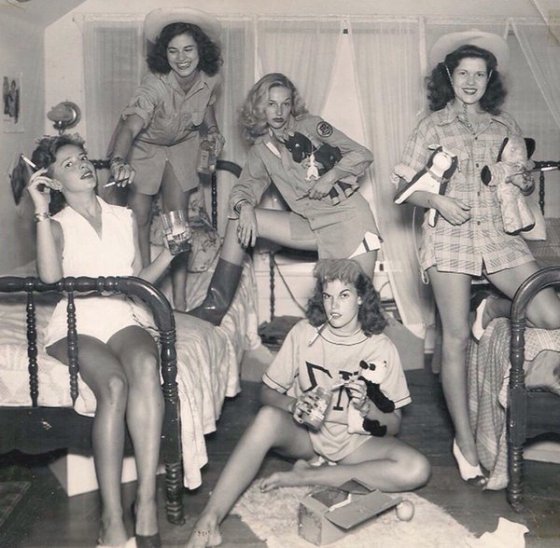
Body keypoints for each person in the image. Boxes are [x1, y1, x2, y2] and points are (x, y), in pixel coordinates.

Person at [393, 30, 560, 485]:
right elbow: (403, 188)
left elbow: (520, 178)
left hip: (498, 236)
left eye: (480, 75)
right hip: (449, 236)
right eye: (463, 73)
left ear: (490, 80)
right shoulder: (431, 126)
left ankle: (494, 309)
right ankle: (465, 442)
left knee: (551, 314)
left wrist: (523, 181)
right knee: (454, 339)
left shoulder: (504, 126)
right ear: (449, 77)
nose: (471, 82)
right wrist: (438, 201)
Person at [186, 259, 431, 547]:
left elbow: (393, 425)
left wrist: (369, 410)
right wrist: (293, 404)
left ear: (361, 297)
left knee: (417, 469)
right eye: (327, 296)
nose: (334, 305)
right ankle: (209, 520)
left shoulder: (381, 347)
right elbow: (266, 394)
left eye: (344, 295)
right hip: (309, 437)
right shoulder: (304, 333)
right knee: (266, 418)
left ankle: (310, 475)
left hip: (356, 444)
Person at [27, 133, 175, 548]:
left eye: (83, 158)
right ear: (54, 182)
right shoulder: (56, 225)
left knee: (146, 365)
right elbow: (50, 278)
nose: (82, 165)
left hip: (120, 316)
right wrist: (40, 209)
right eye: (68, 164)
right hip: (77, 323)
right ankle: (111, 518)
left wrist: (170, 253)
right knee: (113, 384)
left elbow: (139, 281)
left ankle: (146, 501)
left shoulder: (123, 217)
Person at [188, 73, 380, 326]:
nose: (279, 112)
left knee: (358, 311)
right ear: (259, 107)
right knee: (238, 218)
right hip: (310, 223)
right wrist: (245, 206)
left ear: (292, 105)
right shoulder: (261, 150)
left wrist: (331, 176)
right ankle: (213, 308)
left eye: (285, 104)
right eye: (271, 104)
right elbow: (244, 187)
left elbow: (362, 154)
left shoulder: (312, 126)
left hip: (349, 222)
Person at [107, 7, 224, 312]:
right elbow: (130, 126)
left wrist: (212, 131)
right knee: (140, 218)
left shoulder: (211, 78)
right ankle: (147, 290)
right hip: (143, 147)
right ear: (164, 54)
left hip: (182, 146)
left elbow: (207, 106)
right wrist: (119, 160)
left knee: (178, 223)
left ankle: (180, 298)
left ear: (201, 50)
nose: (181, 58)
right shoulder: (154, 85)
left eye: (188, 49)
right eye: (173, 51)